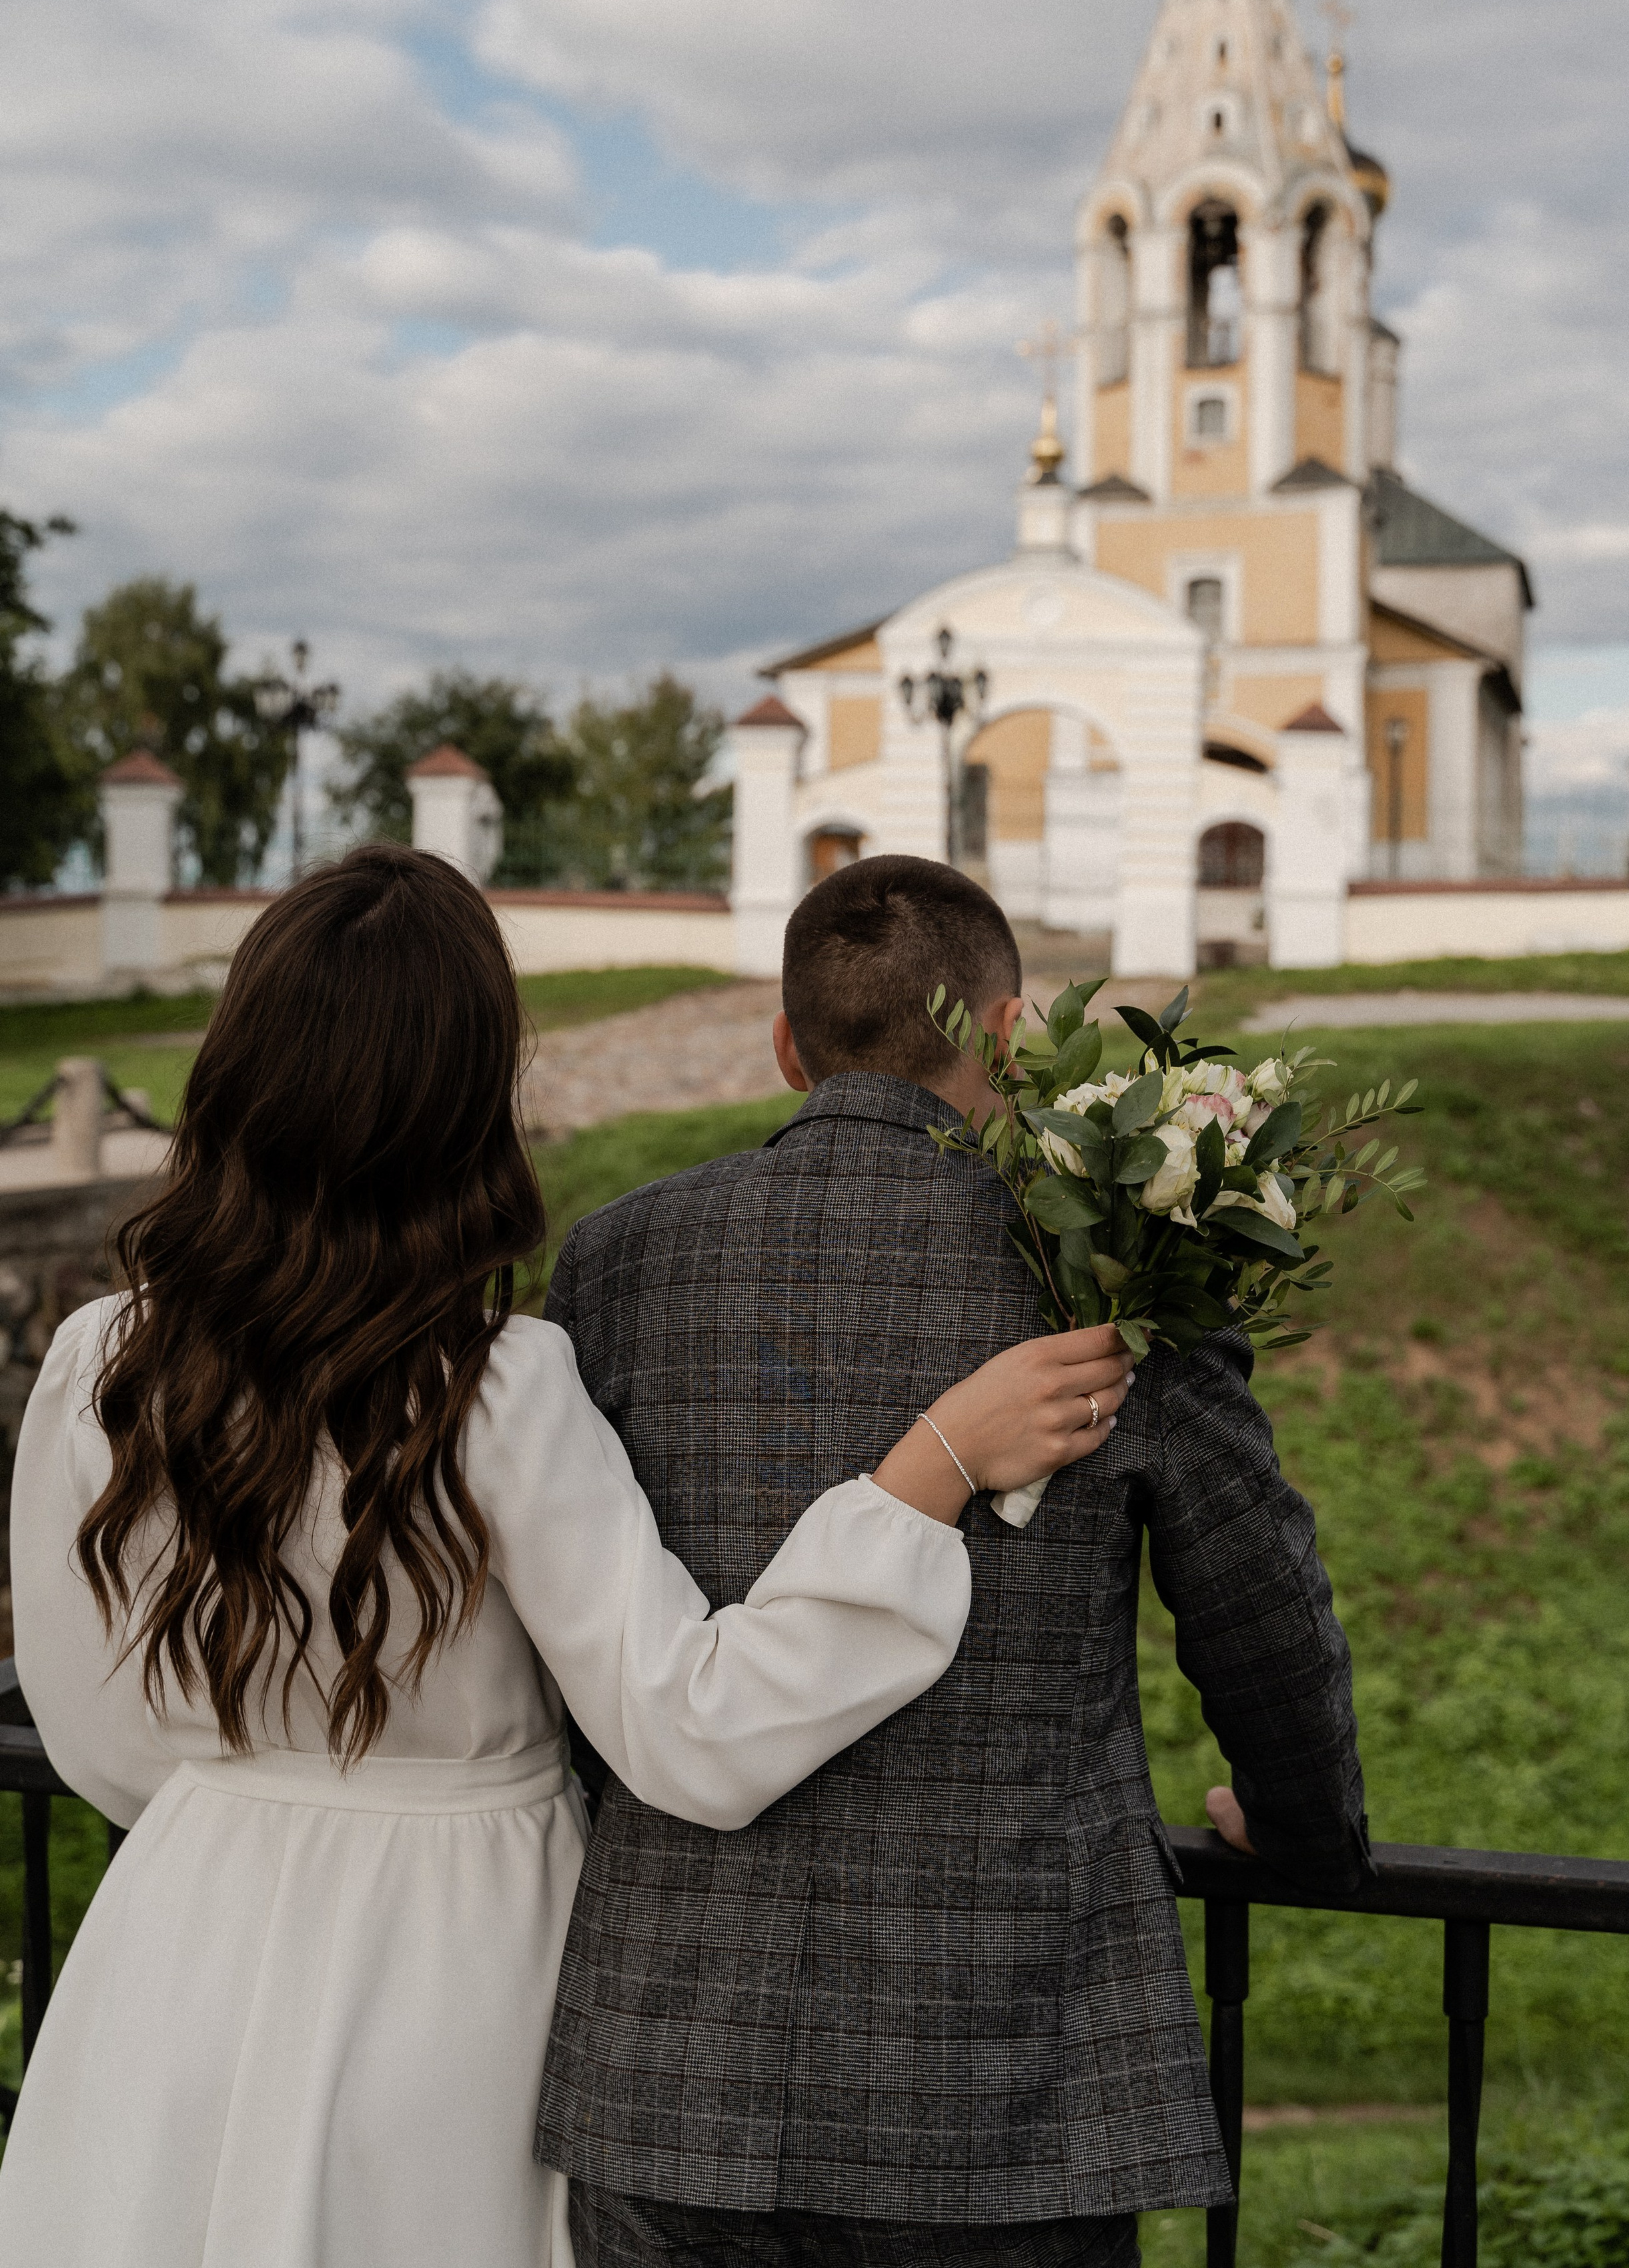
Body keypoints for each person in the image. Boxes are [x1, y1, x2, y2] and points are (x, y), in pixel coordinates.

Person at [0, 844, 1134, 2268]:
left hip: (179, 1943)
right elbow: (692, 1731)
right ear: (469, 1098)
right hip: (452, 1968)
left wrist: (257, 1801)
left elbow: (95, 1733)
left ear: (236, 1069)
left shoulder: (100, 1363)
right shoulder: (493, 1387)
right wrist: (930, 1471)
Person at [540, 853, 1371, 2265]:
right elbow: (1256, 1609)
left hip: (671, 2066)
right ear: (1009, 1035)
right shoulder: (1119, 1276)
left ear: (788, 1045)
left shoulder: (618, 1261)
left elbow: (573, 1621)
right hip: (1002, 2081)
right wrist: (1304, 1834)